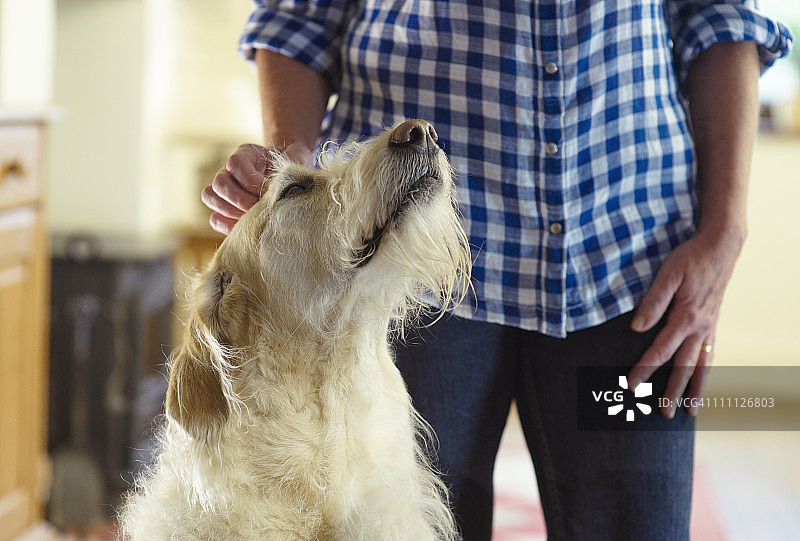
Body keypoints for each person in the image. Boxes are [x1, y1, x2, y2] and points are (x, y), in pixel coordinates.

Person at [202, 1, 792, 539]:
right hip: (401, 276)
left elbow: (722, 17)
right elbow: (298, 17)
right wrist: (293, 173)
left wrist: (724, 231)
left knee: (638, 528)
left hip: (630, 271)